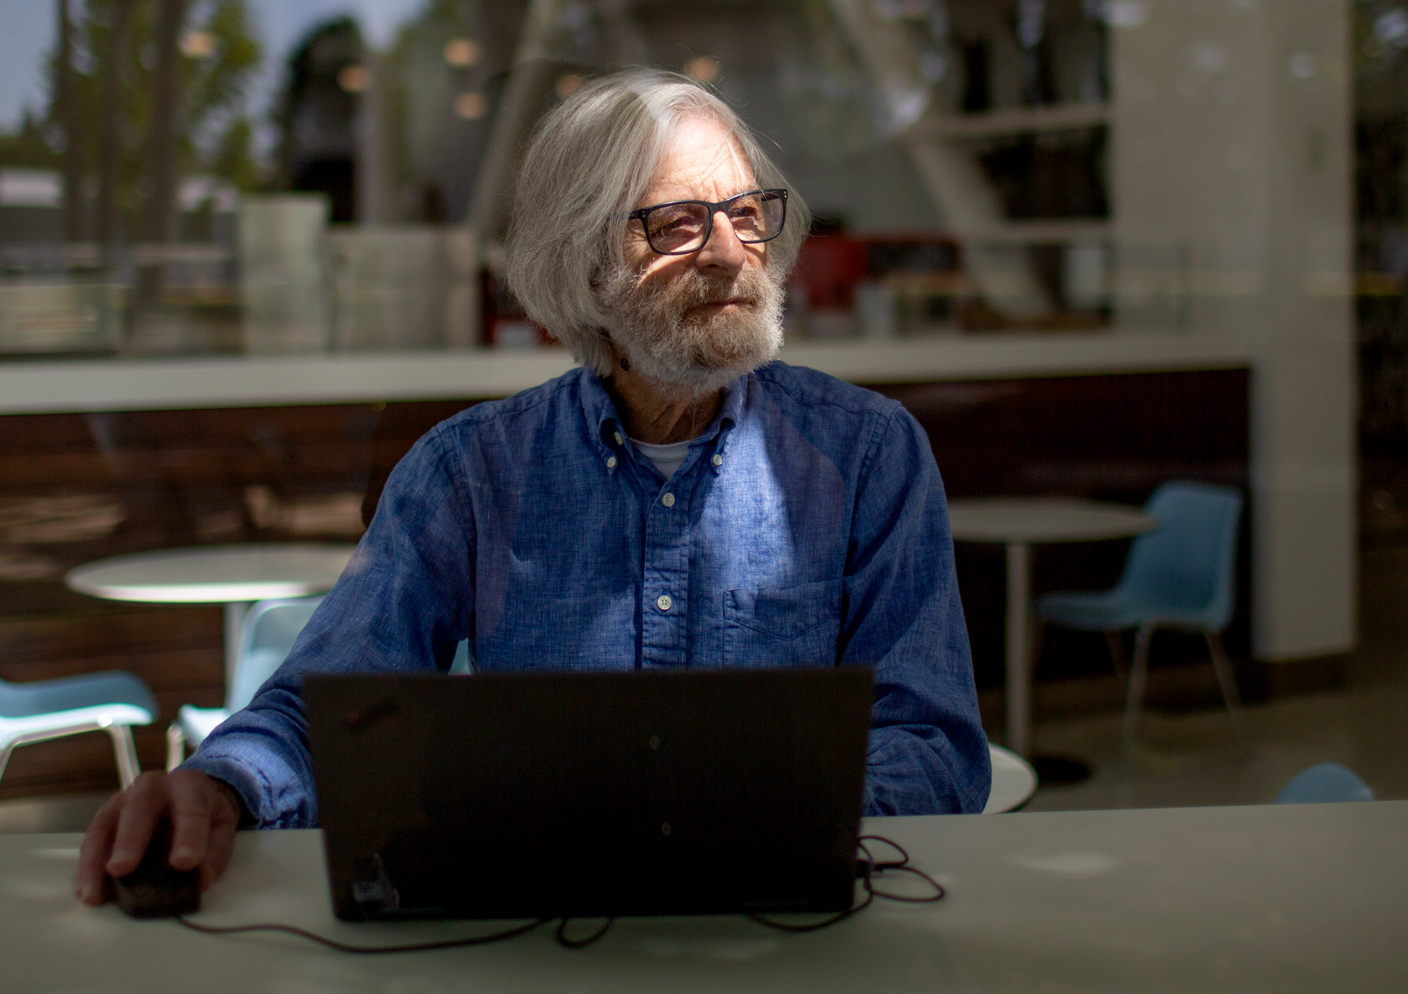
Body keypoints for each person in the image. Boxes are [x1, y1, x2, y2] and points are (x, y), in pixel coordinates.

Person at [76, 68, 990, 905]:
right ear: (584, 262)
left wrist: (750, 808)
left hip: (795, 940)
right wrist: (218, 783)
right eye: (676, 222)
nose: (728, 251)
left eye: (747, 212)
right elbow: (335, 697)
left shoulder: (870, 456)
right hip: (543, 945)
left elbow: (935, 749)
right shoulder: (470, 471)